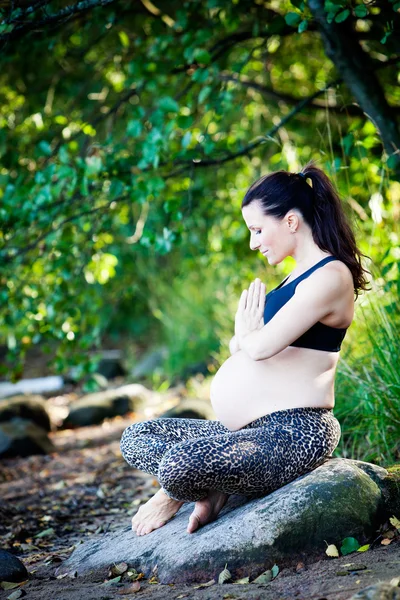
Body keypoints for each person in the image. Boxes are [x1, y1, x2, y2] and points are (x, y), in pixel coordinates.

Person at [120, 159, 371, 537]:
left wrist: (245, 337)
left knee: (177, 467)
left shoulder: (331, 276)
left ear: (290, 221)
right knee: (136, 437)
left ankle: (179, 491)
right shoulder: (293, 277)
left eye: (257, 229)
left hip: (295, 431)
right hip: (243, 432)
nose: (253, 242)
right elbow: (248, 344)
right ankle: (215, 485)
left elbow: (258, 347)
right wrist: (245, 338)